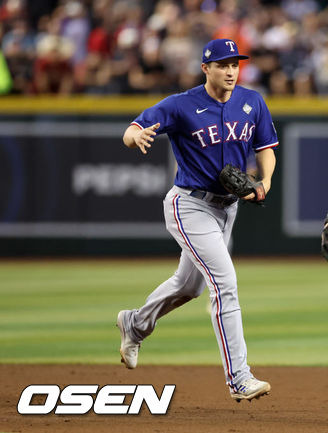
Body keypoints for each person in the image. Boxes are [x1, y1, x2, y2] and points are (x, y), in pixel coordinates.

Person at [117, 38, 278, 402]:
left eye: (235, 64)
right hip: (189, 204)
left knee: (189, 286)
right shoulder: (181, 104)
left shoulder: (253, 102)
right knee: (225, 283)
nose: (231, 70)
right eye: (223, 64)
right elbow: (132, 129)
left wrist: (265, 182)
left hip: (227, 208)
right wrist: (135, 136)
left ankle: (136, 323)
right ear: (206, 68)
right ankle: (239, 378)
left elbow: (265, 147)